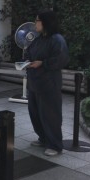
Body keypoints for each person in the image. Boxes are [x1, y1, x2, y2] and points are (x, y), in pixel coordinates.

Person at [26, 10, 69, 156]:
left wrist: (43, 63)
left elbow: (61, 59)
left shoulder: (57, 40)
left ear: (46, 22)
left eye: (37, 20)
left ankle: (55, 145)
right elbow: (29, 53)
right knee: (35, 114)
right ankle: (43, 138)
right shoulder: (38, 39)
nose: (35, 23)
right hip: (34, 83)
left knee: (51, 115)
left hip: (49, 84)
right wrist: (26, 62)